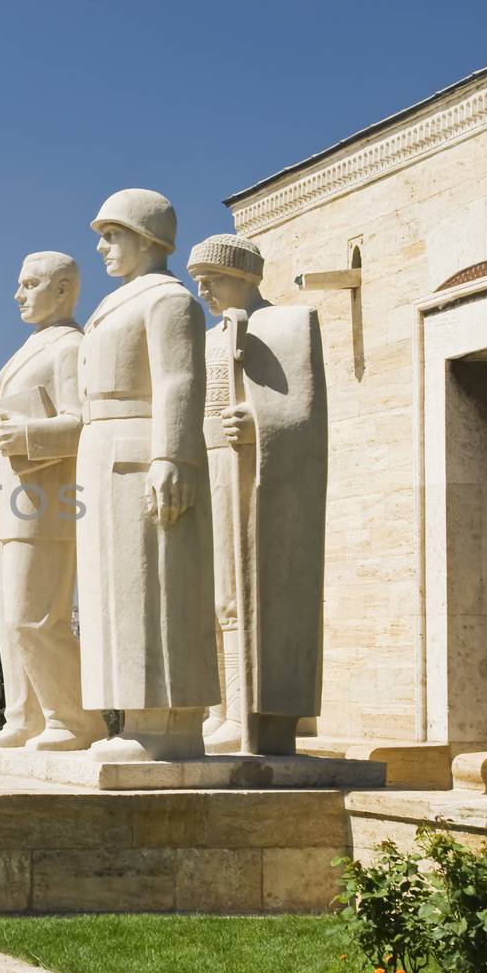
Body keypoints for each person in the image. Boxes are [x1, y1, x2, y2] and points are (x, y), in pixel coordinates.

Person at [76, 189, 220, 761]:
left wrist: (175, 456)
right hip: (104, 449)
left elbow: (180, 381)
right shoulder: (119, 302)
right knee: (116, 593)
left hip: (144, 449)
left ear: (146, 237)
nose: (102, 247)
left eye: (113, 235)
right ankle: (133, 718)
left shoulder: (169, 301)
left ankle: (166, 726)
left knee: (154, 588)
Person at [187, 233, 328, 755]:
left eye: (212, 278)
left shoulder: (285, 325)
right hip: (208, 465)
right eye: (198, 280)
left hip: (249, 469)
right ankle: (219, 710)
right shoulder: (206, 339)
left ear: (243, 276)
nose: (203, 289)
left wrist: (258, 420)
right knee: (213, 592)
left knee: (240, 593)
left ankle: (246, 711)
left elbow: (306, 410)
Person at [0, 252, 108, 753]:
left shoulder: (71, 348)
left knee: (32, 618)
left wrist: (29, 434)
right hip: (11, 502)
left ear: (63, 290)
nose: (18, 294)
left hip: (47, 500)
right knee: (12, 622)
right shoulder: (31, 347)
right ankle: (26, 716)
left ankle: (75, 720)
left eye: (30, 284)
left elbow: (86, 422)